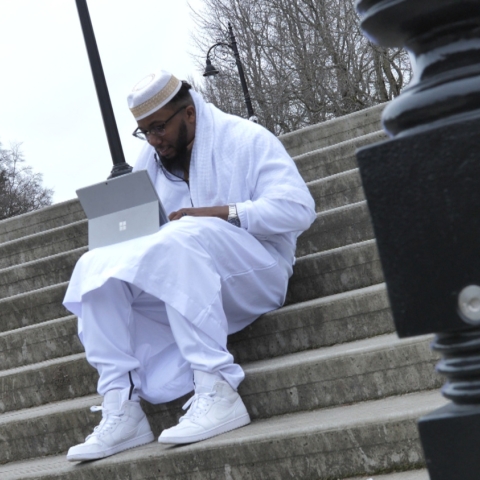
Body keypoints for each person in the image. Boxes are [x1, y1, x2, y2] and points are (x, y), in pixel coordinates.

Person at [63, 69, 316, 462]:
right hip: (189, 280)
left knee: (183, 235)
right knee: (95, 266)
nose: (153, 140)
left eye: (159, 127)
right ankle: (122, 406)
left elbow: (299, 208)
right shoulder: (150, 159)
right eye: (144, 132)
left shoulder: (245, 138)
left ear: (190, 114)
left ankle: (216, 388)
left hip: (258, 270)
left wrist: (221, 213)